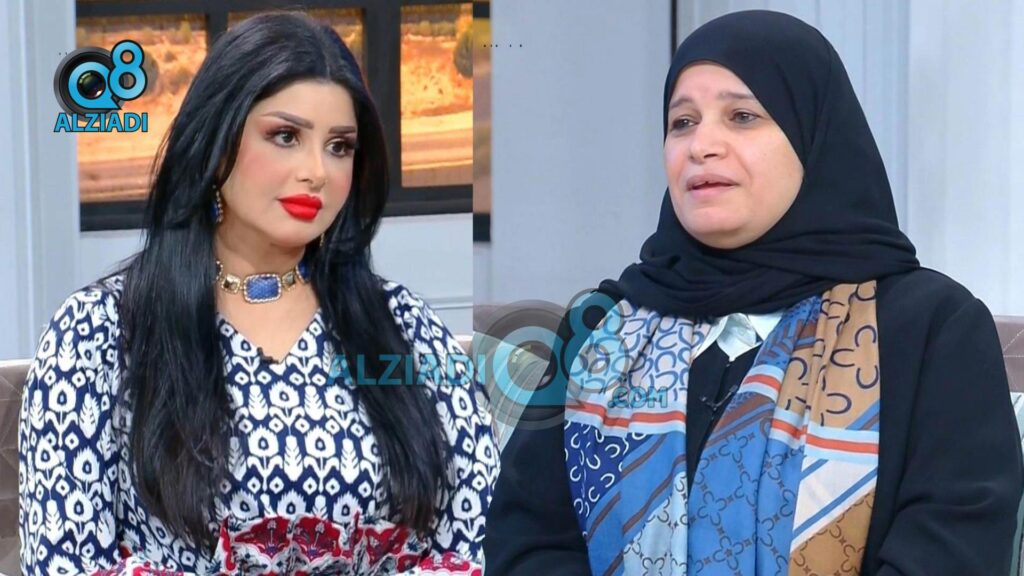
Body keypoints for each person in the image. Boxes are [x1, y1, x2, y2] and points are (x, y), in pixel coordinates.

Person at [484, 10, 1023, 576]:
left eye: (742, 116)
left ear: (812, 135)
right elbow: (525, 544)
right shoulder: (599, 327)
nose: (701, 145)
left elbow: (953, 550)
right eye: (682, 122)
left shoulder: (931, 329)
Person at [19, 13, 496, 576]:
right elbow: (65, 563)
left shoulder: (404, 326)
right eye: (286, 136)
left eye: (340, 146)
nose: (317, 172)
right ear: (218, 143)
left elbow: (479, 536)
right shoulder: (97, 333)